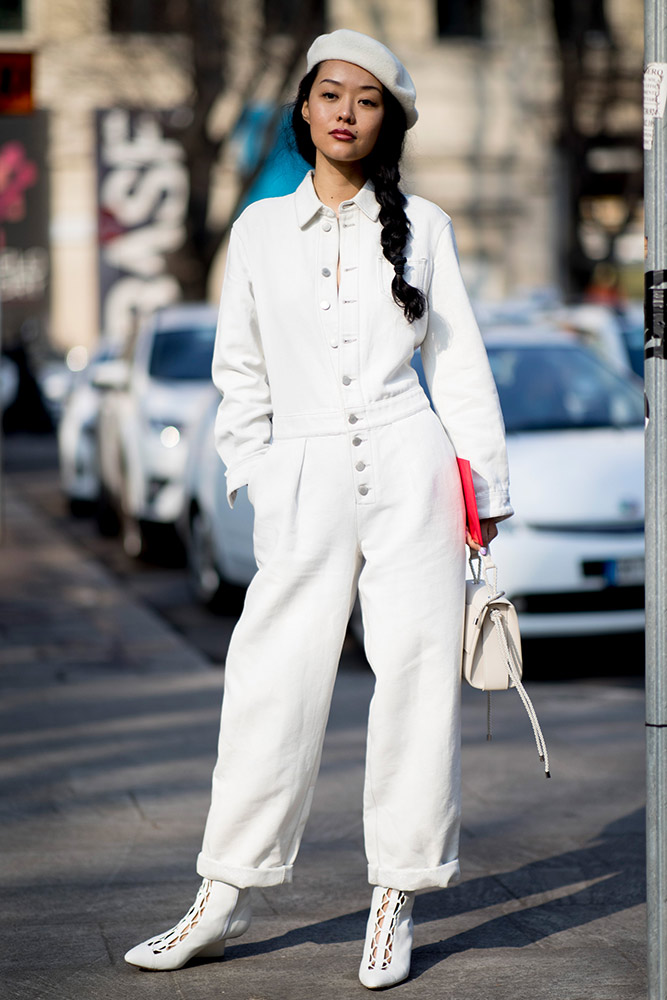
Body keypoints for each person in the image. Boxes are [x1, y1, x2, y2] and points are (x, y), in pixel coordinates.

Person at [124, 28, 512, 989]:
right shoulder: (256, 231)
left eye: (367, 98)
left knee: (417, 680)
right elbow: (238, 373)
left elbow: (456, 363)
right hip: (300, 473)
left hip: (409, 462)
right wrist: (259, 474)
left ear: (388, 119)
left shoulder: (425, 226)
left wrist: (484, 489)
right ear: (303, 107)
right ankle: (221, 892)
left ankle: (396, 897)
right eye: (329, 93)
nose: (345, 110)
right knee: (269, 680)